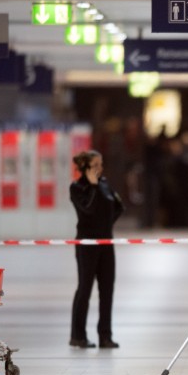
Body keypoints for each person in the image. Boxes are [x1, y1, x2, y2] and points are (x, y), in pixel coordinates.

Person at [69, 149, 124, 349]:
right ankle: (78, 335)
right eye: (96, 165)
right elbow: (88, 210)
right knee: (84, 288)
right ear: (85, 167)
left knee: (107, 289)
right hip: (86, 244)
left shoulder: (105, 184)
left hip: (106, 243)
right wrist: (92, 187)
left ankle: (105, 336)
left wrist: (107, 225)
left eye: (101, 164)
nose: (100, 168)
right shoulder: (77, 188)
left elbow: (118, 207)